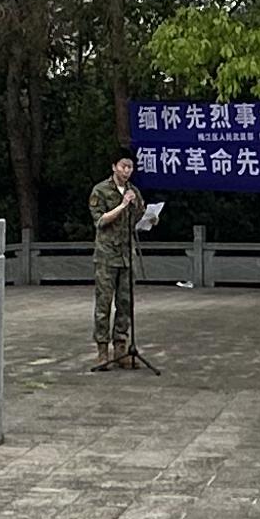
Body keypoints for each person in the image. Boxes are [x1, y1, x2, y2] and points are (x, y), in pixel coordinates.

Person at [88, 152, 151, 373]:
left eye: (130, 167)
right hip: (107, 256)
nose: (127, 171)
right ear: (114, 166)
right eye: (123, 166)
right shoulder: (101, 190)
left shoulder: (134, 192)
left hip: (127, 256)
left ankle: (121, 348)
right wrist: (123, 205)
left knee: (125, 304)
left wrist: (150, 218)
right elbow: (100, 221)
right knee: (103, 305)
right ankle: (102, 351)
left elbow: (138, 219)